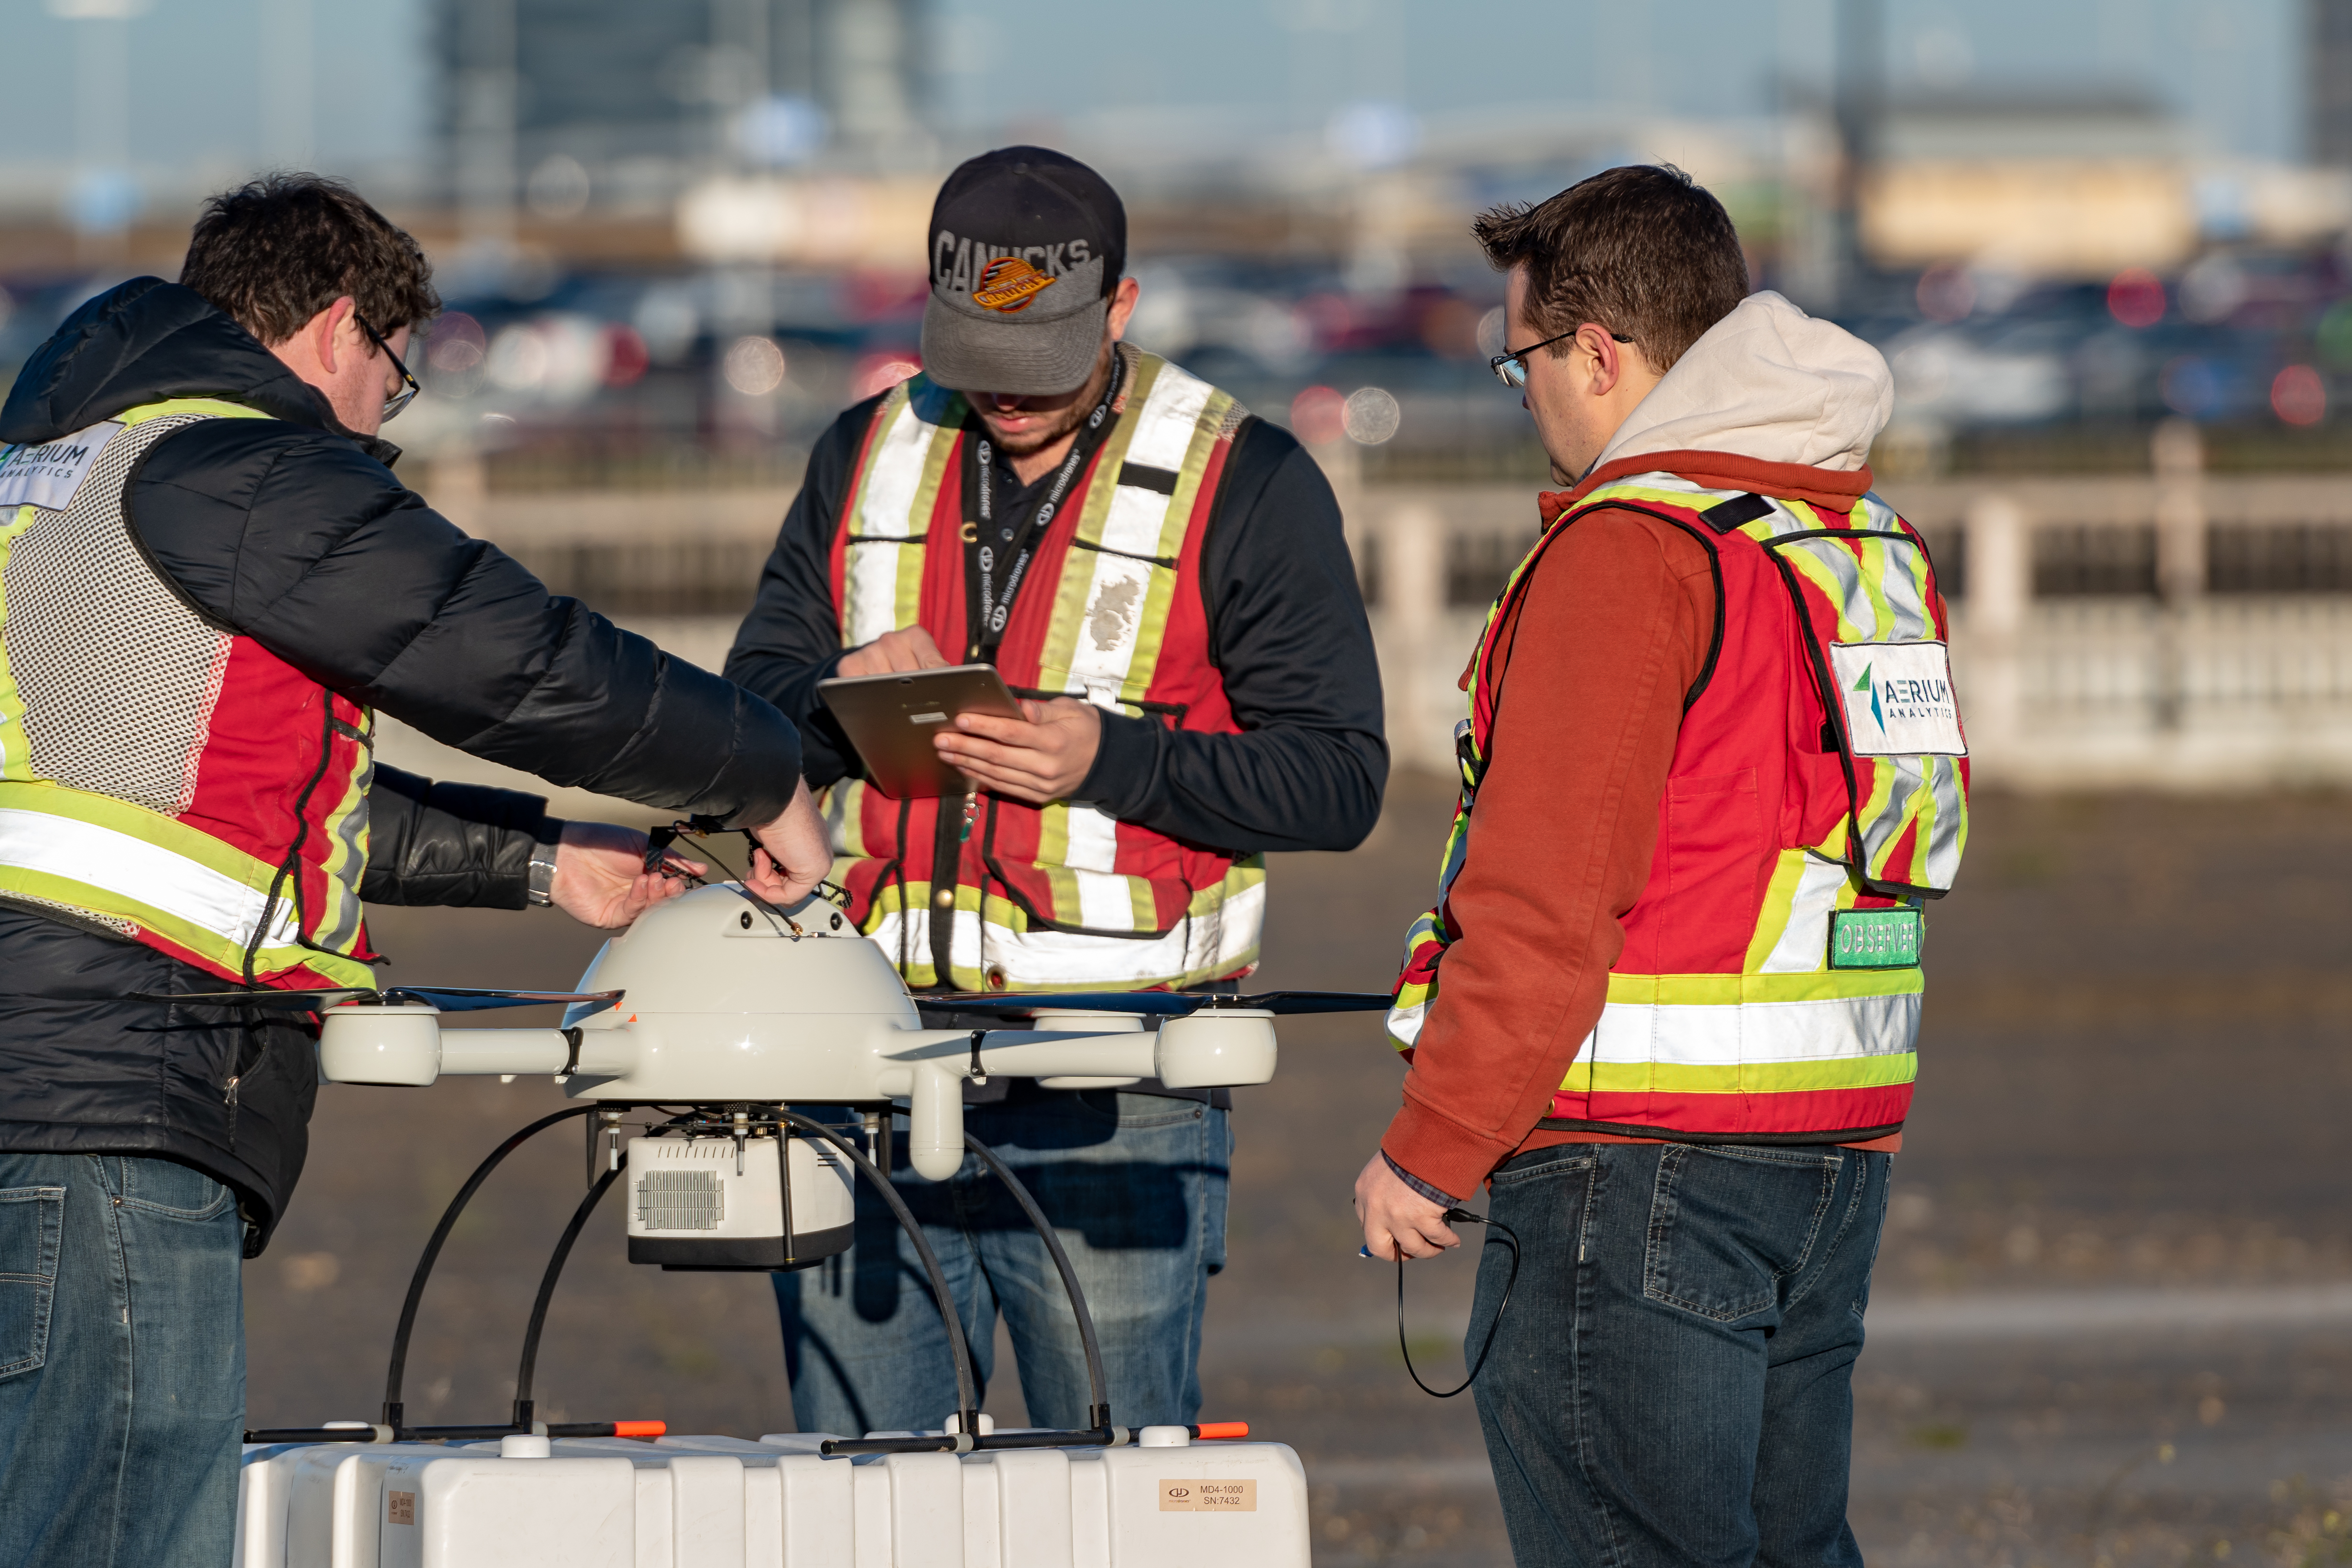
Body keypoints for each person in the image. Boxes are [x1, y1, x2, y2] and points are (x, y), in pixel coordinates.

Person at [0, 174, 828, 1568]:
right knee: (121, 1534)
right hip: (109, 1097)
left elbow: (220, 789)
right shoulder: (242, 472)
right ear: (336, 332)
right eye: (401, 370)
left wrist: (543, 860)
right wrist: (756, 771)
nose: (391, 407)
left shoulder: (64, 476)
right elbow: (506, 652)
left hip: (52, 1074)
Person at [1353, 165, 1970, 1568]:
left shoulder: (1630, 547)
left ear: (1596, 352)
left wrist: (1431, 1147)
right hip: (1829, 1148)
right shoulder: (1856, 541)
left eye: (1521, 366)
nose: (1528, 401)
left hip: (1632, 1168)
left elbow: (1546, 895)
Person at [726, 146, 1385, 1436]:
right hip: (856, 1047)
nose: (1003, 395)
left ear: (1121, 311)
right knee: (869, 1505)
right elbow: (751, 708)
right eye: (972, 353)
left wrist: (1114, 761)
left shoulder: (1242, 478)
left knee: (1115, 1496)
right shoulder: (863, 449)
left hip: (1116, 1080)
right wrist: (832, 693)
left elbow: (1339, 781)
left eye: (1040, 363)